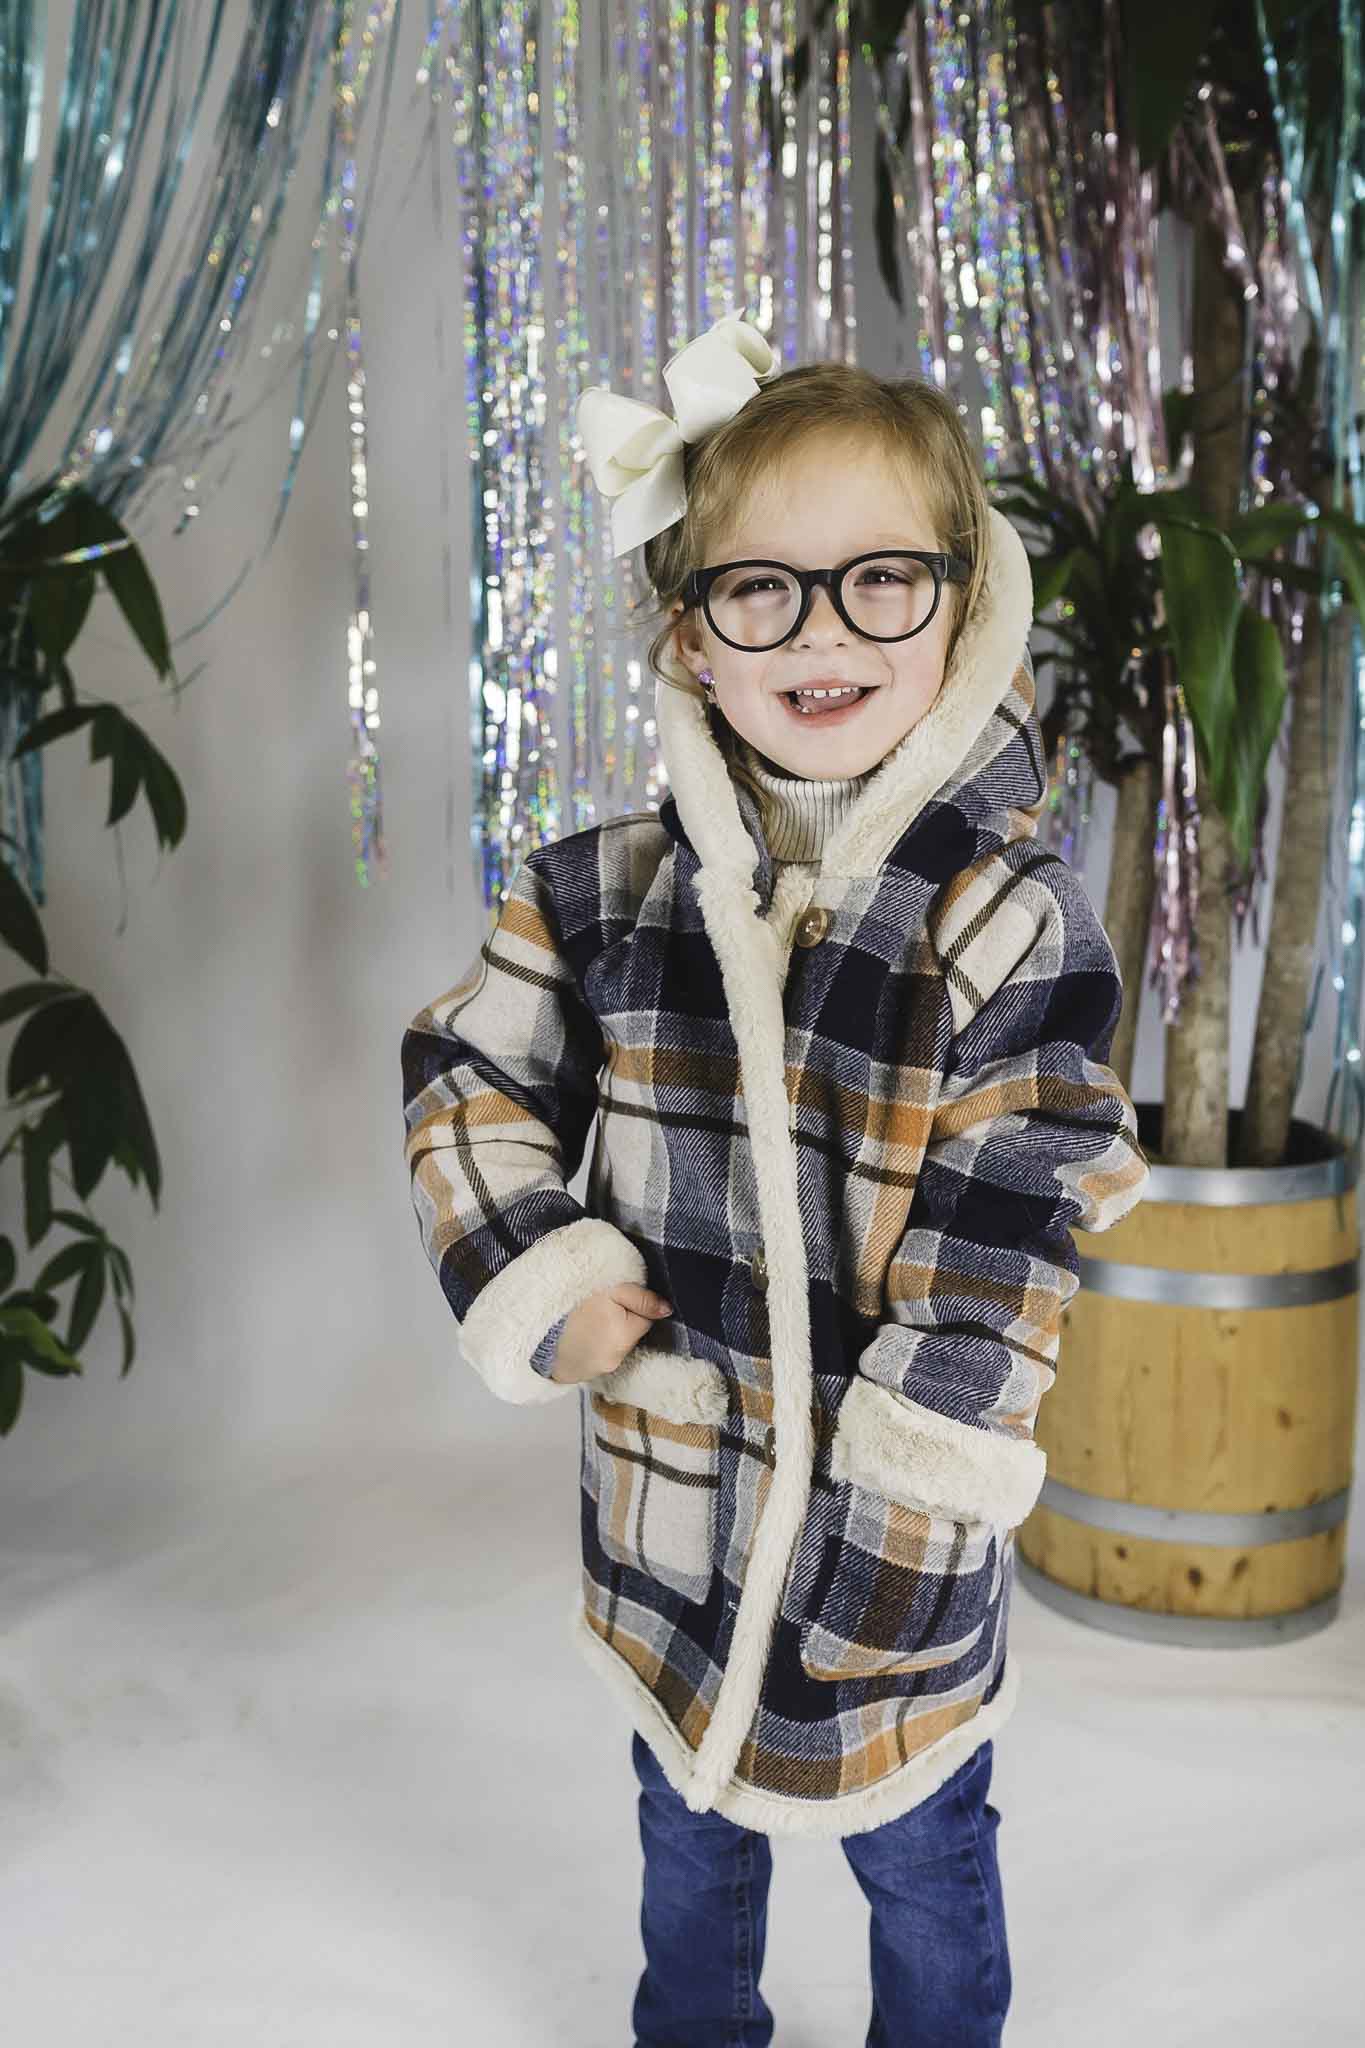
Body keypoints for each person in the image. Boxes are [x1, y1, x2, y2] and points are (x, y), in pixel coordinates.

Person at [401, 312, 1151, 2046]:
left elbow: (1014, 1215)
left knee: (922, 1848)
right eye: (762, 589)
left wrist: (907, 1499)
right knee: (686, 1824)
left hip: (897, 1519)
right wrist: (538, 1266)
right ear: (692, 630)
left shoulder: (1004, 918)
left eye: (879, 579)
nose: (822, 630)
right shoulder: (597, 892)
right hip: (674, 1501)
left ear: (962, 603)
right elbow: (466, 1072)